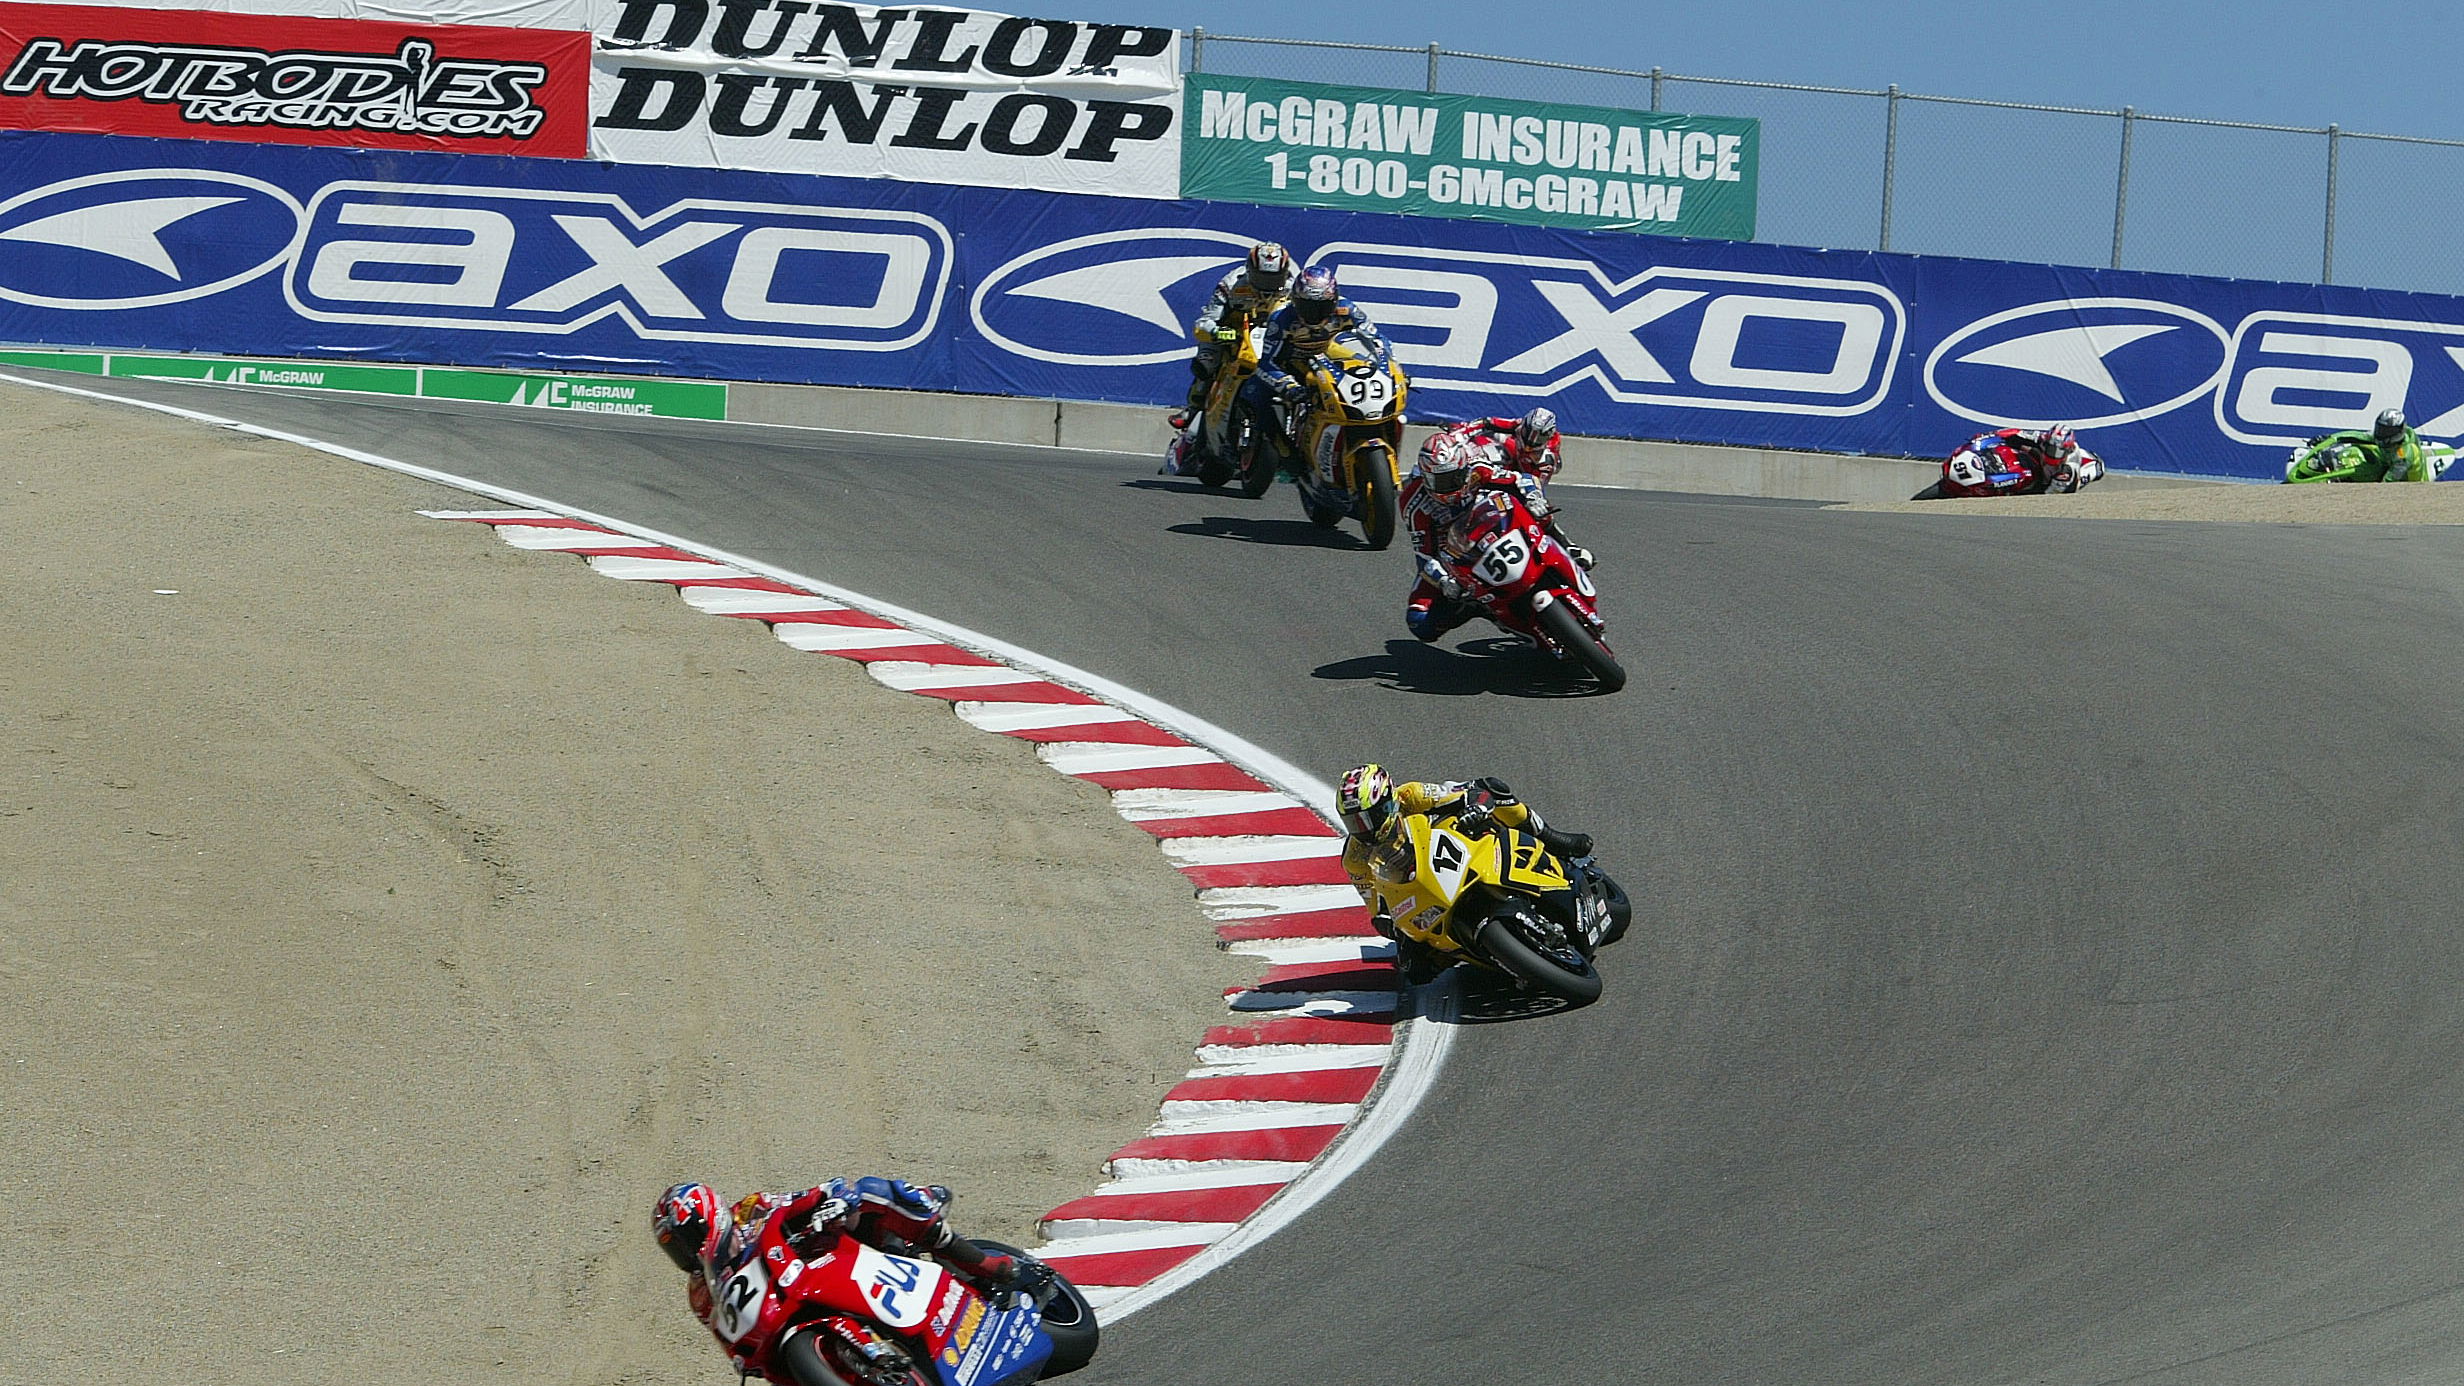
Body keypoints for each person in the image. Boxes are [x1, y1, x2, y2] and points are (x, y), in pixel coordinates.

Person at [653, 1178, 1019, 1375]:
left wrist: (831, 1199)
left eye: (686, 1240)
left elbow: (804, 1198)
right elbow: (730, 1338)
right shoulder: (700, 1294)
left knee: (872, 1193)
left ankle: (984, 1264)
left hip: (830, 1257)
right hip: (789, 1309)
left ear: (710, 1216)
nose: (687, 1253)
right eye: (676, 1250)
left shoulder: (750, 1211)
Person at [1336, 763, 1593, 980]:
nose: (1363, 828)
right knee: (1414, 970)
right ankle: (1480, 953)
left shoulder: (1411, 796)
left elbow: (1469, 794)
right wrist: (1392, 925)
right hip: (1418, 887)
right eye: (1353, 822)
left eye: (1369, 817)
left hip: (1455, 843)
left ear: (1389, 800)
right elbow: (1375, 906)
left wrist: (1476, 806)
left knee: (1494, 788)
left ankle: (1552, 839)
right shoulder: (1355, 858)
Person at [1399, 431, 1593, 644]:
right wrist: (1445, 581)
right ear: (1425, 477)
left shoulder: (1476, 466)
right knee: (1419, 621)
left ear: (1463, 466)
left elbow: (1521, 480)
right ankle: (1478, 607)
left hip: (1492, 522)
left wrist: (1534, 497)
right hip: (1452, 555)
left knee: (1536, 508)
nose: (1450, 486)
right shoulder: (1413, 502)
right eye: (1440, 481)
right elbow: (1424, 555)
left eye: (1455, 477)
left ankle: (1567, 547)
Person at [1255, 266, 1386, 422]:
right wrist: (1288, 386)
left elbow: (1375, 338)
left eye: (1323, 307)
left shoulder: (1346, 308)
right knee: (1261, 396)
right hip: (1292, 358)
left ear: (1334, 301)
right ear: (1295, 302)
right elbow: (1265, 363)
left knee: (1366, 366)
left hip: (1326, 349)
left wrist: (1391, 368)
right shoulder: (1280, 318)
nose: (1315, 314)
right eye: (1307, 307)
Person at [1940, 425, 2105, 498]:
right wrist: (1988, 436)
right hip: (2039, 462)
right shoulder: (2043, 438)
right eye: (2050, 447)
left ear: (2066, 451)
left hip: (2052, 483)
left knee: (2032, 490)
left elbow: (2049, 497)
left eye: (2056, 451)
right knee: (2017, 445)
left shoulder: (2066, 472)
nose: (2052, 452)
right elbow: (2014, 433)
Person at [2285, 408, 2432, 483]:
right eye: (2381, 428)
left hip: (2407, 481)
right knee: (2356, 450)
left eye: (2387, 431)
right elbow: (2359, 436)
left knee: (2365, 474)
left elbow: (2388, 484)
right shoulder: (2386, 438)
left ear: (2398, 432)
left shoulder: (2403, 455)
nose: (2382, 433)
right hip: (2386, 461)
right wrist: (2330, 438)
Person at [1425, 408, 1565, 484]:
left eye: (1539, 437)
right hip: (1517, 454)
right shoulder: (1519, 424)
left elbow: (1537, 483)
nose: (1531, 440)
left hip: (1530, 468)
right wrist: (1459, 434)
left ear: (1548, 435)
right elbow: (1487, 422)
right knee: (1494, 436)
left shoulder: (1548, 455)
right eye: (1527, 433)